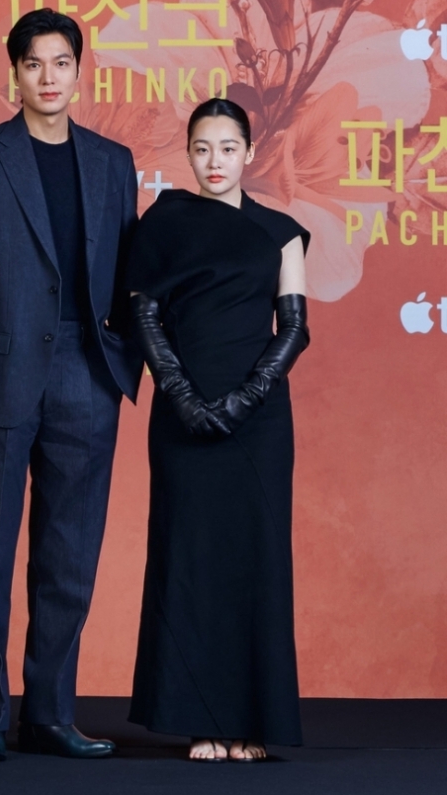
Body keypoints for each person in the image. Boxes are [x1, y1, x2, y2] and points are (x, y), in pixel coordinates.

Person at [0, 8, 141, 762]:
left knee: (69, 555)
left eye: (61, 63)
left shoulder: (113, 161)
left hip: (88, 376)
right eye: (34, 64)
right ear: (13, 75)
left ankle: (50, 712)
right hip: (1, 380)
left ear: (80, 72)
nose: (49, 77)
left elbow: (128, 273)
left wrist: (124, 363)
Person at [125, 98, 310, 762]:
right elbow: (144, 316)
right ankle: (202, 718)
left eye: (227, 148)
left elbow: (294, 329)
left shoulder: (281, 232)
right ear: (188, 151)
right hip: (183, 419)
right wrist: (184, 398)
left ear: (250, 152)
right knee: (191, 561)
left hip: (258, 425)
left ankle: (251, 723)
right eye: (201, 148)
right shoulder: (164, 222)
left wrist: (241, 403)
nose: (213, 161)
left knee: (255, 562)